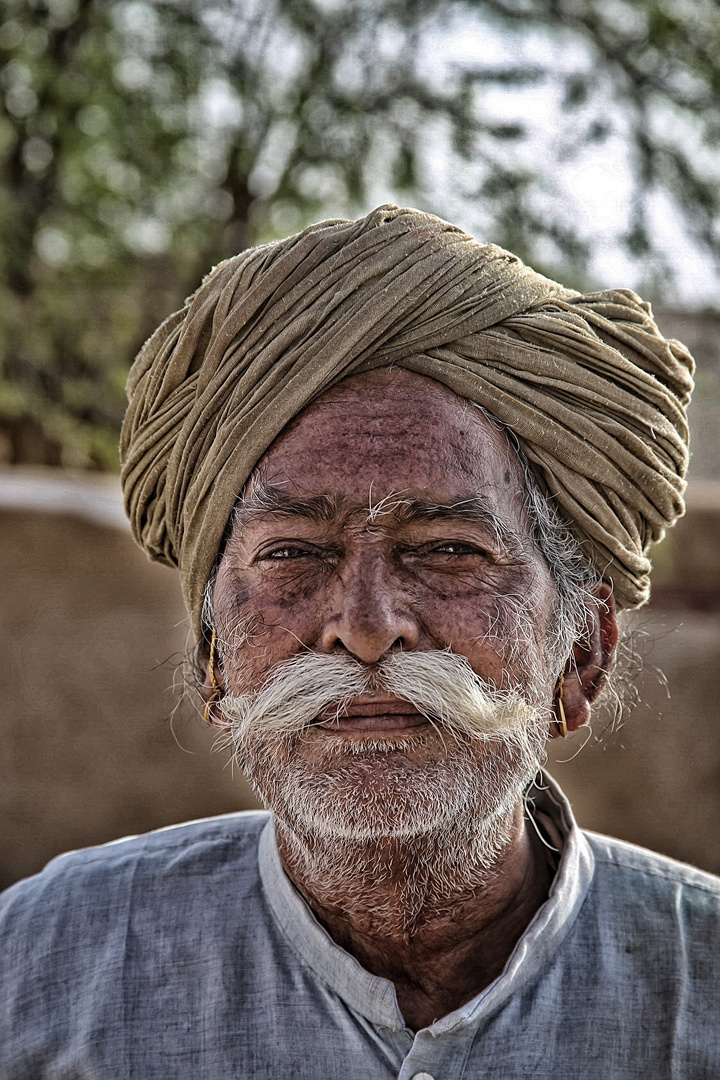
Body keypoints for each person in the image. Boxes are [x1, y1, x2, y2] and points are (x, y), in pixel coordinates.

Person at [1, 206, 718, 1078]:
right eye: (294, 554)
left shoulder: (700, 992)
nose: (369, 625)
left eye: (450, 551)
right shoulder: (38, 974)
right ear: (214, 662)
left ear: (582, 656)